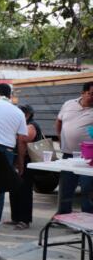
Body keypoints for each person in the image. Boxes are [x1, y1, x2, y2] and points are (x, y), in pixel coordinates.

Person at [0, 83, 28, 237]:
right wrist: (20, 162)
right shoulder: (18, 112)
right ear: (10, 95)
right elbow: (21, 139)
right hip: (7, 150)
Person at [55, 81, 93, 214]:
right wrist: (61, 139)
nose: (92, 97)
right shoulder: (68, 104)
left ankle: (87, 220)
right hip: (68, 155)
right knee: (66, 187)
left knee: (87, 188)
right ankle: (63, 216)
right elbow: (59, 121)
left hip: (88, 159)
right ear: (82, 93)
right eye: (91, 94)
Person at [6, 105, 42, 229]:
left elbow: (22, 142)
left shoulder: (30, 126)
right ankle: (15, 218)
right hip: (17, 160)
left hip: (26, 161)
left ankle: (25, 220)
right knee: (14, 189)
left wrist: (20, 164)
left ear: (26, 115)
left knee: (24, 191)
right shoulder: (20, 125)